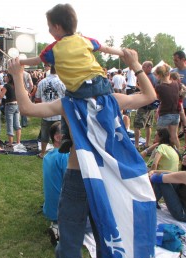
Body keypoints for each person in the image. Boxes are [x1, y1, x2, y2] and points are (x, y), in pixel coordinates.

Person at [8, 47, 157, 258]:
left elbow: (27, 108)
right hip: (108, 176)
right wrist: (134, 64)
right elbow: (150, 96)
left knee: (70, 241)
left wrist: (17, 76)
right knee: (108, 235)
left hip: (79, 176)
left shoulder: (69, 105)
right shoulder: (112, 100)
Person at [19, 4, 123, 153]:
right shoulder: (85, 40)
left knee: (66, 105)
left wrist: (20, 62)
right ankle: (112, 126)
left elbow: (36, 60)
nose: (48, 30)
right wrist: (123, 53)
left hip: (79, 88)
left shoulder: (54, 48)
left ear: (57, 27)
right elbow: (105, 48)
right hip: (101, 82)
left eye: (49, 27)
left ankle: (66, 136)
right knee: (108, 103)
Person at [42, 121, 69, 246]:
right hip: (62, 209)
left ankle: (56, 226)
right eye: (67, 133)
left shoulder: (48, 156)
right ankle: (58, 228)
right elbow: (71, 183)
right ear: (57, 137)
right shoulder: (64, 156)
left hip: (49, 208)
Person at [149, 150, 186, 222]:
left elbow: (156, 178)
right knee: (168, 178)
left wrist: (150, 175)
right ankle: (151, 202)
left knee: (161, 181)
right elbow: (173, 174)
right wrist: (154, 171)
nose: (184, 157)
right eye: (184, 154)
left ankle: (149, 204)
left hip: (184, 214)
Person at [35, 65, 66, 158]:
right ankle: (61, 152)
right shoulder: (62, 82)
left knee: (44, 134)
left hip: (46, 112)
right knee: (60, 133)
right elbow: (66, 97)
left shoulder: (42, 82)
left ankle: (43, 153)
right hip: (58, 112)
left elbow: (37, 97)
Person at [154, 64, 180, 149]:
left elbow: (156, 98)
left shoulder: (159, 87)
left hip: (165, 113)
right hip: (176, 113)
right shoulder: (176, 84)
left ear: (159, 75)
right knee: (174, 136)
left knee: (159, 136)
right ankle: (178, 154)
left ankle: (154, 153)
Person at [134, 61, 158, 150]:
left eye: (144, 67)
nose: (142, 68)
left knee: (137, 125)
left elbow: (145, 91)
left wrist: (138, 92)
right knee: (148, 125)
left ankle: (136, 145)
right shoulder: (154, 77)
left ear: (149, 67)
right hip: (153, 104)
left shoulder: (147, 78)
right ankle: (147, 144)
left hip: (145, 105)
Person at [172, 50, 186, 148]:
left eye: (176, 60)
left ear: (183, 59)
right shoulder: (173, 71)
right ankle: (174, 147)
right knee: (174, 128)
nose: (175, 62)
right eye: (174, 60)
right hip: (174, 105)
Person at [0, 73, 23, 147]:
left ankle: (10, 142)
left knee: (10, 124)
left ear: (9, 78)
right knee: (17, 124)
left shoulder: (6, 85)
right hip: (17, 104)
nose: (5, 78)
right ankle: (18, 142)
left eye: (6, 77)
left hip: (9, 105)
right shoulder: (16, 85)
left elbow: (1, 96)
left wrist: (0, 89)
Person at [170, 71, 186, 149]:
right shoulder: (179, 85)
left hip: (177, 105)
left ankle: (185, 127)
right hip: (177, 105)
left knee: (182, 116)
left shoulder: (179, 85)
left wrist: (180, 95)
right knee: (175, 129)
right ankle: (184, 127)